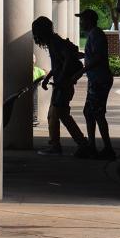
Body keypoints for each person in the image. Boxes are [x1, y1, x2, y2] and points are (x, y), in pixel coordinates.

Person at [32, 16, 92, 156]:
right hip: (62, 84)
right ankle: (80, 144)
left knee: (55, 115)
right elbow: (59, 63)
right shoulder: (55, 41)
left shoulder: (54, 42)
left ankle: (60, 146)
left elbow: (67, 59)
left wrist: (61, 78)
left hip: (63, 85)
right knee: (60, 115)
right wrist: (48, 78)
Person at [77, 9, 116, 160]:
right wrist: (82, 55)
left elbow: (98, 58)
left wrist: (80, 71)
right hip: (96, 80)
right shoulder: (94, 34)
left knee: (97, 113)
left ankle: (107, 148)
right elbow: (93, 55)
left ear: (89, 20)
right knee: (90, 112)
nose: (81, 23)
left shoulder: (96, 34)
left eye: (82, 20)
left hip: (100, 80)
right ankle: (93, 146)